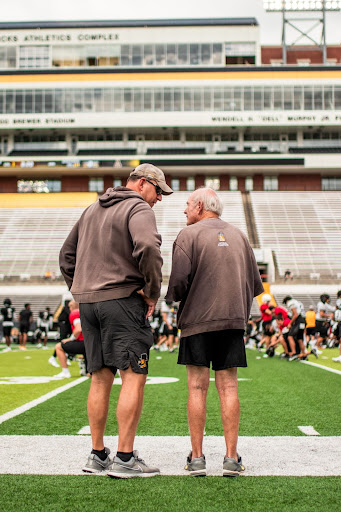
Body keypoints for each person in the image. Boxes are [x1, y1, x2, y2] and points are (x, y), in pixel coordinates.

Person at [59, 163, 173, 478]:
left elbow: (66, 255)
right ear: (144, 183)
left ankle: (97, 455)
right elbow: (148, 247)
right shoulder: (138, 207)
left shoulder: (92, 208)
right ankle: (124, 458)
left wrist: (81, 288)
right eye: (159, 191)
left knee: (99, 377)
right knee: (133, 375)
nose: (159, 199)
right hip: (122, 301)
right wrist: (151, 292)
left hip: (89, 304)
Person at [165, 187, 264, 477]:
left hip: (197, 321)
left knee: (197, 387)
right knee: (229, 387)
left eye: (186, 205)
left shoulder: (187, 235)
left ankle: (197, 458)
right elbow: (255, 286)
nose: (184, 210)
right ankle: (231, 458)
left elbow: (178, 285)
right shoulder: (240, 235)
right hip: (232, 321)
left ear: (199, 206)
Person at [52, 300, 86, 378]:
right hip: (91, 342)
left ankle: (65, 372)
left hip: (82, 342)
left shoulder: (74, 313)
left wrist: (71, 339)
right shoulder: (84, 312)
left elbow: (78, 329)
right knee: (90, 374)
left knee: (58, 347)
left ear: (71, 307)